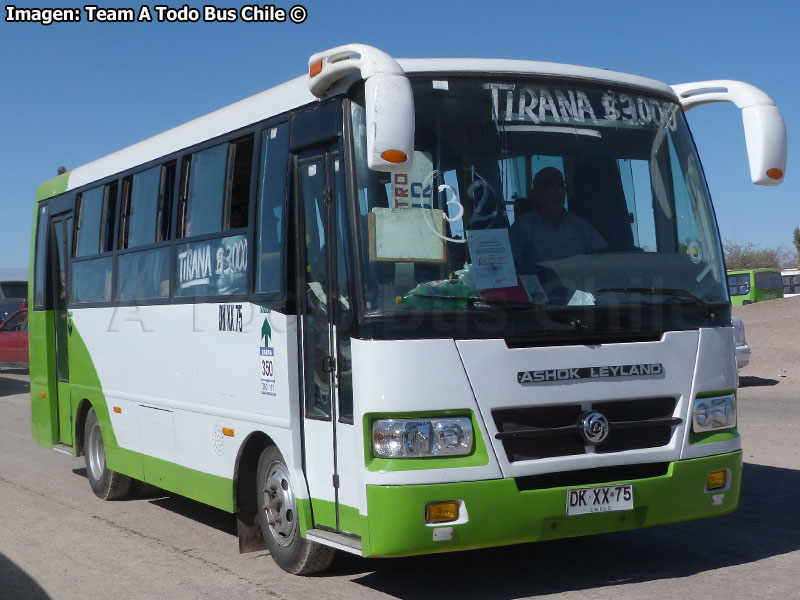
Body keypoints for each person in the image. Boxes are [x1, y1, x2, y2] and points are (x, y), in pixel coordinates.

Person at [510, 167, 606, 268]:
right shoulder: (521, 228)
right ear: (536, 195)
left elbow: (603, 258)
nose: (557, 192)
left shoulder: (581, 226)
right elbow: (511, 269)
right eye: (548, 186)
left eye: (560, 185)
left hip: (579, 283)